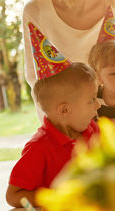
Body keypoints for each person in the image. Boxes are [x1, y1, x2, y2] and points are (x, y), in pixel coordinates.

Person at [6, 62, 100, 207]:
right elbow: (13, 196)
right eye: (92, 99)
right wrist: (52, 197)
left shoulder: (92, 129)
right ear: (64, 110)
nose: (98, 105)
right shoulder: (38, 148)